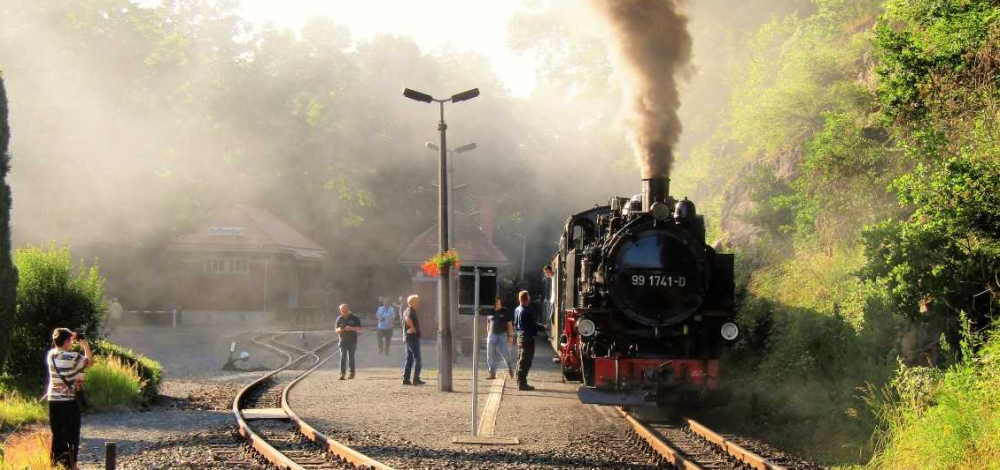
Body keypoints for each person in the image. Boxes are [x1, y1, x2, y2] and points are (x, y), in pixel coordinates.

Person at [47, 328, 93, 470]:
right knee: (72, 433)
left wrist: (68, 336)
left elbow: (60, 344)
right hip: (69, 401)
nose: (72, 343)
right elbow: (90, 362)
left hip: (53, 400)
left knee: (57, 433)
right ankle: (72, 465)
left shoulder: (51, 355)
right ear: (67, 341)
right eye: (70, 341)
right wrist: (84, 345)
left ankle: (56, 464)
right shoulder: (73, 357)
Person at [514, 290, 544, 391]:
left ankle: (519, 381)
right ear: (527, 299)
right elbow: (532, 326)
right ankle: (522, 384)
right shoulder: (527, 311)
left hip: (520, 337)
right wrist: (542, 328)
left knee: (520, 360)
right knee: (526, 361)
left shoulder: (517, 309)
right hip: (527, 338)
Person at [486, 298, 515, 380]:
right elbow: (488, 322)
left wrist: (510, 336)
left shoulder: (505, 311)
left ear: (500, 303)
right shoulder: (490, 311)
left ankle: (510, 369)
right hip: (492, 335)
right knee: (490, 355)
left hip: (502, 335)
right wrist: (488, 333)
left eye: (498, 303)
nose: (497, 305)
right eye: (495, 304)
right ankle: (492, 373)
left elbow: (509, 324)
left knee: (505, 354)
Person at [402, 294, 425, 385]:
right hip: (412, 339)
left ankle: (406, 379)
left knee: (409, 359)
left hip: (408, 339)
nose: (418, 303)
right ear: (413, 302)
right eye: (417, 302)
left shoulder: (407, 310)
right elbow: (408, 319)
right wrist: (413, 329)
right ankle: (416, 379)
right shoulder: (410, 310)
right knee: (418, 358)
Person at [334, 304, 362, 380]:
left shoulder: (354, 318)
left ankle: (352, 373)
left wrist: (351, 328)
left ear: (347, 309)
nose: (343, 312)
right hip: (342, 341)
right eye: (341, 311)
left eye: (344, 310)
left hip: (352, 341)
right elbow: (336, 330)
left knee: (351, 357)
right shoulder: (339, 318)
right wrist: (341, 329)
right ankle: (342, 374)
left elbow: (359, 328)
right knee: (343, 356)